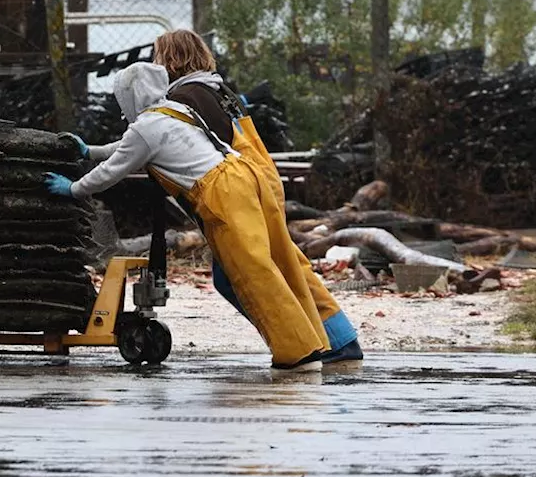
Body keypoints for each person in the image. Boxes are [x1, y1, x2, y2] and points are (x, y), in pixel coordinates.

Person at [45, 62, 331, 373]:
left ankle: (298, 354)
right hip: (245, 178)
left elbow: (112, 171)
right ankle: (310, 344)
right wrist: (90, 151)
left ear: (131, 95)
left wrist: (73, 189)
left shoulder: (147, 127)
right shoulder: (171, 110)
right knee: (272, 265)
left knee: (253, 275)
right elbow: (128, 146)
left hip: (222, 193)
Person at [152, 30, 363, 365]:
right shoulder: (216, 87)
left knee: (249, 274)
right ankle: (339, 339)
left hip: (239, 187)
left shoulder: (185, 95)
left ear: (169, 60)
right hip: (262, 176)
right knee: (287, 264)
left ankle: (302, 344)